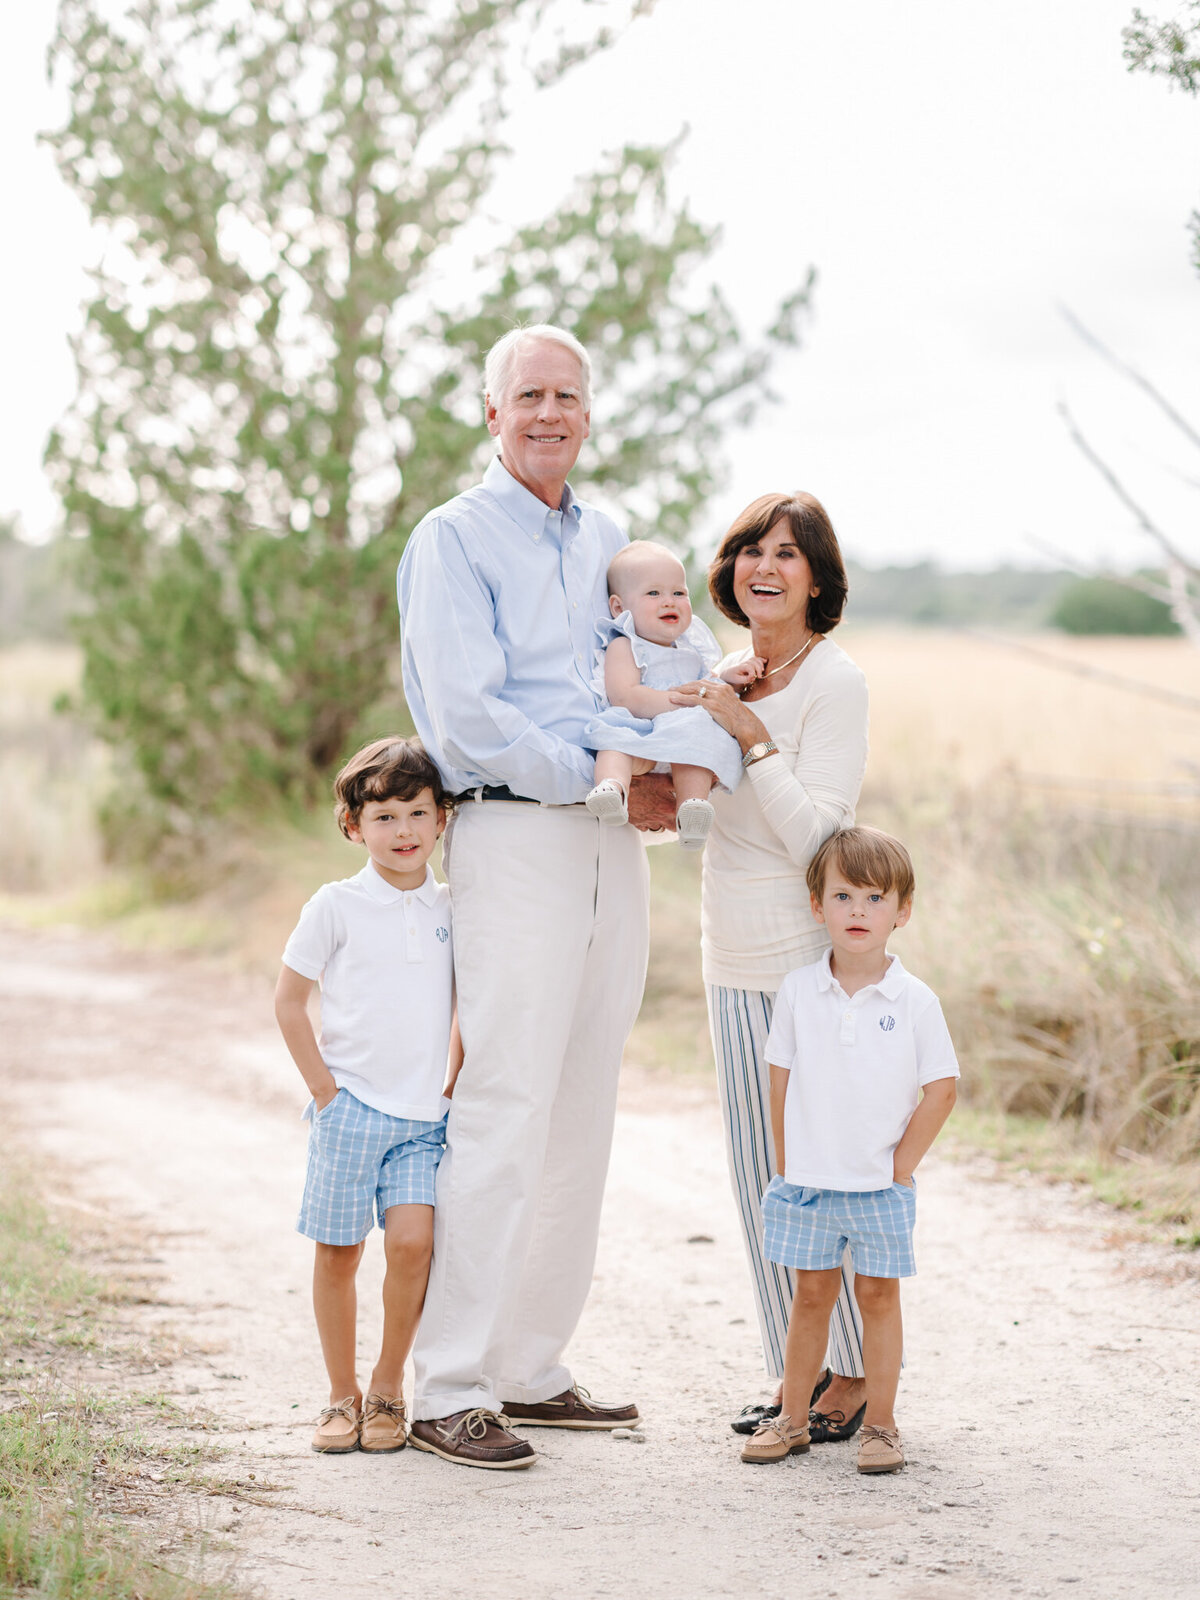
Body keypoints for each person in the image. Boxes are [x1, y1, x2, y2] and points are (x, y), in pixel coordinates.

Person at [397, 323, 672, 1471]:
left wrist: (653, 768)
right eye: (529, 395)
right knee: (507, 1095)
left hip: (616, 842)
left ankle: (529, 1365)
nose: (549, 412)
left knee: (585, 1097)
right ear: (493, 410)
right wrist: (591, 777)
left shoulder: (607, 535)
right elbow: (464, 715)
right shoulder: (453, 538)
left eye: (568, 394)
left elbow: (645, 663)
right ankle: (447, 1383)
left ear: (589, 412)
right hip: (517, 833)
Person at [667, 491, 873, 1441]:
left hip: (800, 960)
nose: (766, 565)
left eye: (788, 553)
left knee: (816, 1170)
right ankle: (796, 1375)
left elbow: (820, 839)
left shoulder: (833, 683)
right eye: (752, 548)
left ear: (818, 578)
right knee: (759, 1176)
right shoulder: (725, 669)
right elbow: (681, 809)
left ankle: (852, 1378)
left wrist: (750, 734)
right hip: (727, 950)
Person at [739, 826, 958, 1474]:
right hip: (810, 1182)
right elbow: (777, 1078)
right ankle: (793, 1418)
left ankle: (882, 1426)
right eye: (842, 897)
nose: (857, 911)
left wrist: (900, 1167)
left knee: (879, 1299)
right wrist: (787, 1161)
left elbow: (941, 1090)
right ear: (817, 907)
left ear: (902, 910)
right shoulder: (800, 991)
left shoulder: (915, 1001)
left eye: (873, 897)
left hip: (879, 1188)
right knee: (811, 1296)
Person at [273, 738, 462, 1455]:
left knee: (414, 1243)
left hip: (423, 1118)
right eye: (384, 817)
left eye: (418, 812)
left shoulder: (454, 905)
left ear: (443, 819)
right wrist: (327, 1095)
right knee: (340, 1254)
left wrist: (453, 1079)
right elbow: (290, 1003)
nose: (404, 831)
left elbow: (471, 1003)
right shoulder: (337, 906)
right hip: (351, 1109)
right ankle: (340, 1396)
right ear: (354, 827)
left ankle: (388, 1388)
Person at [584, 540, 756, 850]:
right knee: (614, 742)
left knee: (699, 749)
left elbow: (704, 684)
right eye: (654, 593)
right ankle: (612, 788)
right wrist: (681, 702)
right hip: (640, 733)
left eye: (679, 593)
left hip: (681, 738)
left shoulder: (689, 651)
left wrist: (726, 679)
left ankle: (691, 808)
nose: (669, 601)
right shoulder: (625, 645)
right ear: (619, 607)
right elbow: (624, 696)